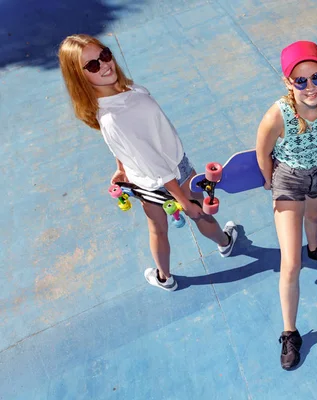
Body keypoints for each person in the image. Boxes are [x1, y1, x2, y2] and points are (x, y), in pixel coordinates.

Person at [58, 34, 238, 292]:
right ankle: (224, 242)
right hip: (174, 173)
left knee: (158, 230)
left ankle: (165, 277)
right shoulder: (112, 117)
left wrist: (122, 168)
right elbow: (155, 164)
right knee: (198, 212)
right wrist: (183, 201)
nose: (105, 64)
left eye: (105, 55)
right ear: (80, 76)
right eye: (93, 65)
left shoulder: (121, 93)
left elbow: (126, 146)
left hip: (143, 182)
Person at [256, 41, 317, 370]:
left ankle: (316, 247)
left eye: (316, 77)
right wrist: (269, 181)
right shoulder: (277, 114)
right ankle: (290, 332)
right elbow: (262, 152)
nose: (310, 87)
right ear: (287, 82)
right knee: (290, 264)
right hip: (289, 180)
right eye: (300, 80)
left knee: (315, 217)